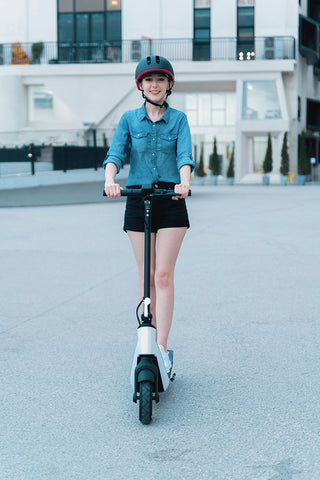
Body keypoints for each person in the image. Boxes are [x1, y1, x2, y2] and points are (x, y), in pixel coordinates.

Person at [103, 55, 194, 372]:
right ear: (140, 85)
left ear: (169, 84)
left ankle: (162, 347)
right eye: (148, 80)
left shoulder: (179, 119)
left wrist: (184, 182)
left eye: (160, 79)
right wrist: (110, 180)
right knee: (146, 278)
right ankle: (146, 338)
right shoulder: (129, 119)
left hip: (170, 199)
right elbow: (116, 153)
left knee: (163, 275)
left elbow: (185, 154)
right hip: (137, 197)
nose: (154, 85)